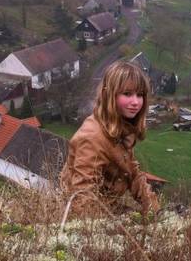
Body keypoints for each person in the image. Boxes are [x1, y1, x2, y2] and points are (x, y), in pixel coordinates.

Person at [61, 61, 160, 217]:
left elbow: (132, 173)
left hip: (108, 208)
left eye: (140, 95)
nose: (135, 102)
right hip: (86, 218)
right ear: (110, 95)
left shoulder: (120, 128)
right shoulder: (92, 138)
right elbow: (82, 198)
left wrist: (155, 210)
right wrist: (116, 225)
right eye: (127, 94)